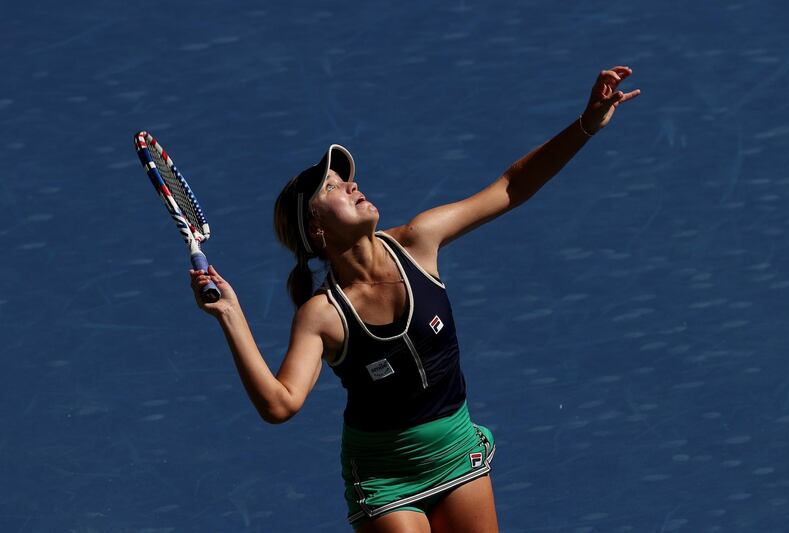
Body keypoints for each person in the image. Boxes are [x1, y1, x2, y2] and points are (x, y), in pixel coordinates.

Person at [189, 66, 640, 532]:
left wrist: (585, 124)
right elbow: (280, 405)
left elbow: (510, 187)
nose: (352, 184)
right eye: (333, 187)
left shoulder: (419, 241)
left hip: (455, 449)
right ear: (318, 231)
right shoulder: (322, 316)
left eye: (348, 179)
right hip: (386, 478)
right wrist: (230, 313)